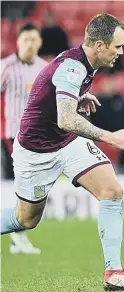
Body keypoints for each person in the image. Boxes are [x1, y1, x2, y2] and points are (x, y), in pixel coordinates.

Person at [0, 13, 124, 291]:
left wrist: (78, 96)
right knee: (26, 219)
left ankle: (113, 272)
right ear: (100, 46)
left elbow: (59, 106)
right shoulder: (73, 68)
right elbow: (66, 118)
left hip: (67, 142)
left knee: (112, 190)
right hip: (35, 151)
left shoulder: (83, 64)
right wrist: (108, 137)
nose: (121, 52)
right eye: (117, 46)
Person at [1, 23, 47, 255]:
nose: (29, 44)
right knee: (18, 184)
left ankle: (15, 239)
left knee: (29, 185)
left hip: (37, 138)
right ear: (18, 42)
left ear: (40, 42)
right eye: (25, 39)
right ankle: (18, 236)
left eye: (33, 39)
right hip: (12, 135)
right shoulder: (6, 67)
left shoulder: (44, 69)